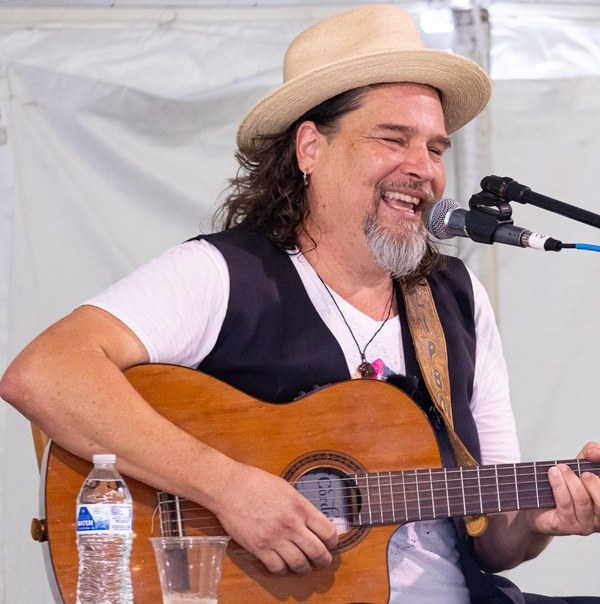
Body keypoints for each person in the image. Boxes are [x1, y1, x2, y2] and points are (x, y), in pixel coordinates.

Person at [1, 5, 599, 603]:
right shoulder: (225, 275)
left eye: (436, 148)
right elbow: (45, 374)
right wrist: (225, 487)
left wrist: (537, 521)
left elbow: (493, 537)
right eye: (393, 139)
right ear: (311, 148)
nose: (423, 169)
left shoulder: (458, 299)